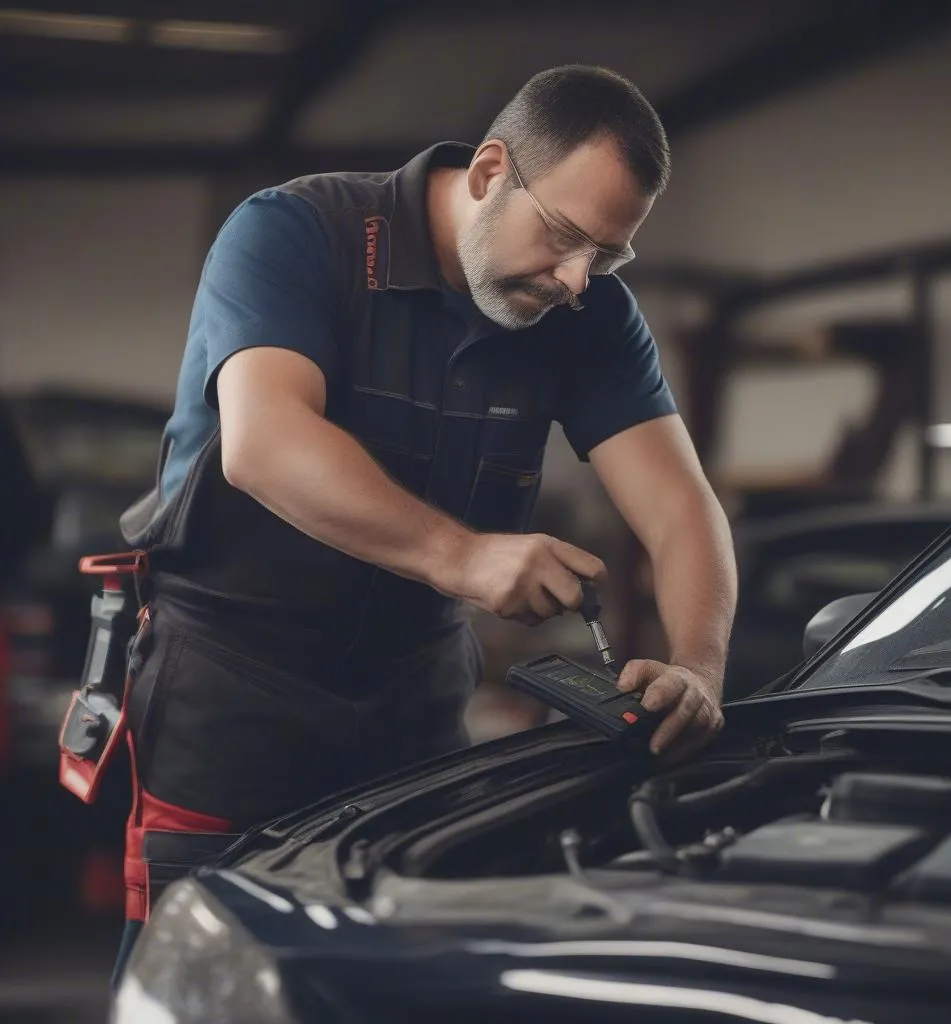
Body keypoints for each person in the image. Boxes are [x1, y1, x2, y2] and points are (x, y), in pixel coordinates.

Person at [108, 65, 737, 983]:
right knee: (200, 978)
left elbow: (683, 511)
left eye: (606, 255)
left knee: (397, 979)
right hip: (233, 696)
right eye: (564, 235)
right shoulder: (296, 232)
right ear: (489, 171)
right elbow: (265, 442)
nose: (575, 279)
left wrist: (699, 669)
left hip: (416, 704)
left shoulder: (589, 312)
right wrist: (463, 557)